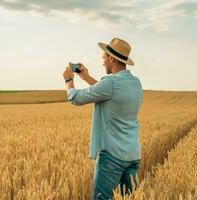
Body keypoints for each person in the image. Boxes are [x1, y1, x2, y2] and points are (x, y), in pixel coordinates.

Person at [62, 37, 143, 200]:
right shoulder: (135, 83)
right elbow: (111, 93)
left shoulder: (110, 83)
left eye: (104, 57)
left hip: (112, 156)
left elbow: (75, 98)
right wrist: (87, 78)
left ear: (112, 58)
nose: (103, 62)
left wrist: (68, 80)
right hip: (133, 155)